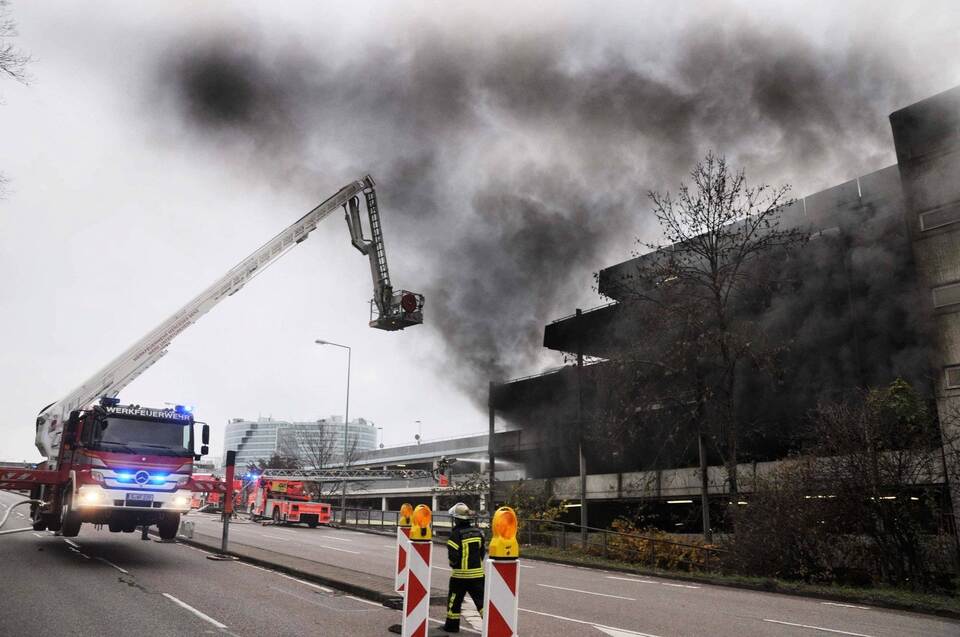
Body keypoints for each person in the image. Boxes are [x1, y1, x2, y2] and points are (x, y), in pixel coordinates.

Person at [443, 502, 485, 633]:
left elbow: (453, 557)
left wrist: (453, 565)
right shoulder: (478, 533)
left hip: (460, 577)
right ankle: (493, 626)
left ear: (456, 519)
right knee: (482, 602)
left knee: (454, 602)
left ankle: (451, 627)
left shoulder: (456, 534)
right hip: (478, 575)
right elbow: (482, 553)